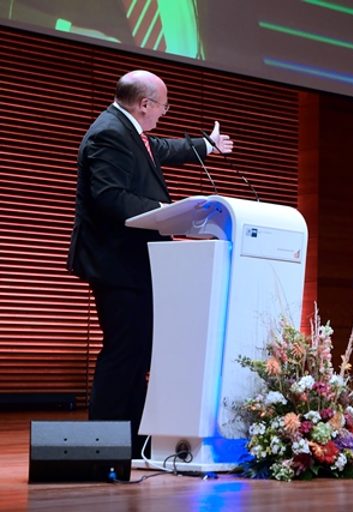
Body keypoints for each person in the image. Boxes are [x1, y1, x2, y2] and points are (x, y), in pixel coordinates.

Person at [66, 69, 234, 458]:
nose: (164, 112)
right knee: (124, 350)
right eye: (162, 105)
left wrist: (205, 146)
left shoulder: (127, 130)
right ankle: (103, 447)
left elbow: (158, 148)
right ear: (144, 104)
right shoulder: (108, 133)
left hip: (133, 263)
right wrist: (168, 211)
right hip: (117, 264)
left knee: (139, 352)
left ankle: (134, 441)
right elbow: (111, 199)